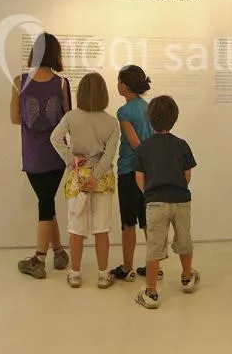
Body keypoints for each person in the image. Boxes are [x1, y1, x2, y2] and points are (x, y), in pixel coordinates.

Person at [10, 32, 71, 279]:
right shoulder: (62, 83)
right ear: (56, 54)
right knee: (47, 201)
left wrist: (32, 122)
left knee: (45, 202)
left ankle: (39, 259)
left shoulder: (19, 81)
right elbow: (69, 119)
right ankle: (59, 252)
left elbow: (15, 118)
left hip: (33, 154)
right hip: (58, 154)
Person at [51, 72, 120, 289]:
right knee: (102, 228)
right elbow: (109, 156)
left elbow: (55, 138)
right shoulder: (112, 122)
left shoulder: (71, 117)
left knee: (76, 228)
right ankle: (103, 275)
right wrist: (96, 175)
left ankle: (75, 274)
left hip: (78, 178)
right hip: (102, 179)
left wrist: (71, 160)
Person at [134, 95, 200, 309]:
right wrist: (179, 188)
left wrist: (149, 194)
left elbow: (139, 177)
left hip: (155, 203)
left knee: (154, 247)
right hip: (181, 201)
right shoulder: (181, 145)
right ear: (175, 118)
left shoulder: (144, 147)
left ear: (150, 119)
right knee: (184, 240)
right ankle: (187, 277)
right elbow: (187, 174)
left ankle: (151, 292)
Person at [110, 65, 155, 282]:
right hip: (149, 171)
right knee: (147, 220)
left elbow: (135, 143)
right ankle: (154, 266)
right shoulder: (149, 108)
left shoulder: (124, 112)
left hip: (129, 170)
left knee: (128, 222)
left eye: (119, 81)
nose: (117, 85)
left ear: (125, 86)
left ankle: (127, 268)